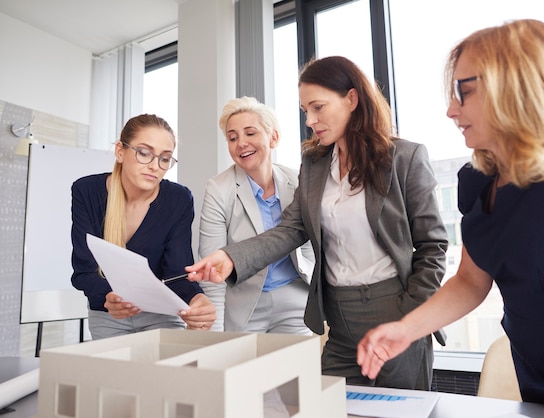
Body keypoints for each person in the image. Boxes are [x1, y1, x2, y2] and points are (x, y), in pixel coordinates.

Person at [356, 19, 544, 417]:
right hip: (539, 380)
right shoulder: (480, 181)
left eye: (464, 92)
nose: (451, 110)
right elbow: (470, 282)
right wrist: (405, 330)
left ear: (517, 87)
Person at [185, 55, 448, 390]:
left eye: (318, 107)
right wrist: (231, 258)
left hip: (395, 308)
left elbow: (433, 245)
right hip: (339, 317)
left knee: (400, 410)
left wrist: (412, 314)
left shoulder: (405, 158)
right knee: (325, 404)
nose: (310, 120)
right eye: (304, 110)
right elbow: (292, 228)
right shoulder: (314, 162)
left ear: (352, 99)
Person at [71, 113, 216, 340]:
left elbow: (177, 269)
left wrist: (197, 299)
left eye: (165, 158)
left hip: (162, 316)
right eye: (144, 153)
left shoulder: (178, 199)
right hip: (108, 317)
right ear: (120, 151)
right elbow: (84, 270)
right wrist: (108, 297)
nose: (154, 166)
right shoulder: (86, 191)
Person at [198, 96, 314, 334]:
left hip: (295, 297)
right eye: (232, 137)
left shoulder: (299, 181)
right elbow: (213, 270)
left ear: (274, 137)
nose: (241, 143)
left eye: (250, 133)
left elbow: (309, 248)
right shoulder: (218, 189)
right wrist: (215, 333)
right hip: (244, 304)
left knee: (299, 367)